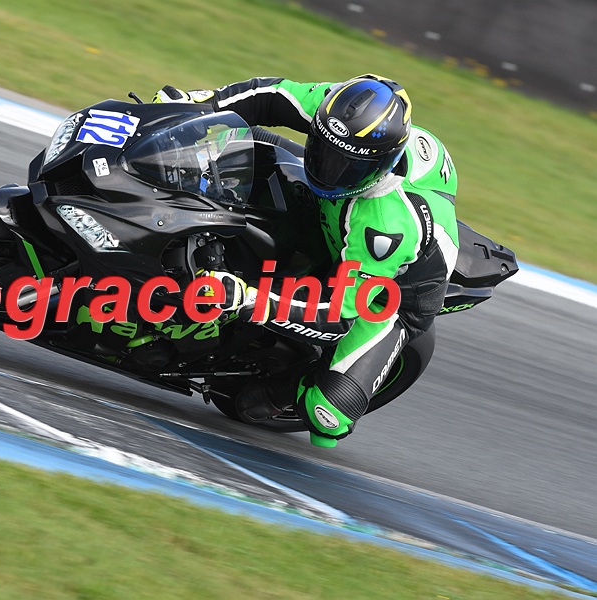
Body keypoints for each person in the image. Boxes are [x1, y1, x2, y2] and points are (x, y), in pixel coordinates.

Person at [154, 75, 459, 448]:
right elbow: (272, 96)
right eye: (323, 151)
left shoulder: (385, 227)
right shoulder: (339, 114)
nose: (329, 170)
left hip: (384, 297)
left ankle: (292, 385)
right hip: (335, 215)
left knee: (328, 415)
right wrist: (197, 104)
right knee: (241, 143)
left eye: (347, 166)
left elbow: (337, 315)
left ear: (383, 165)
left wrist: (248, 299)